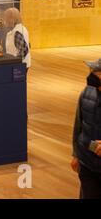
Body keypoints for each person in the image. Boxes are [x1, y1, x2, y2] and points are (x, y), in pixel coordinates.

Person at [71, 58, 101, 199]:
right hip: (87, 162)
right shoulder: (86, 93)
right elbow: (78, 125)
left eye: (95, 72)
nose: (91, 74)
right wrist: (76, 154)